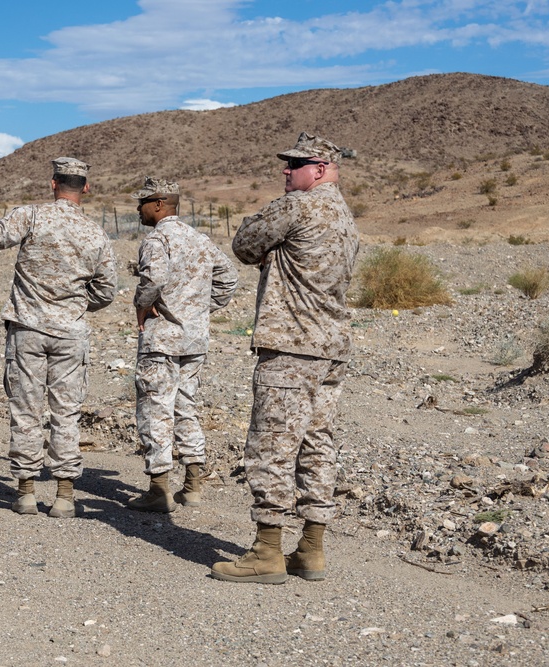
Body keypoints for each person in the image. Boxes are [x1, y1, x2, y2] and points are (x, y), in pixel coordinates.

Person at [212, 132, 359, 585]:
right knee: (318, 445)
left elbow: (243, 244)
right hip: (331, 348)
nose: (285, 171)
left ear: (319, 168)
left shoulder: (297, 206)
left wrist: (270, 252)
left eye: (294, 164)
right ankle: (311, 549)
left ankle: (267, 552)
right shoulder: (346, 217)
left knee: (272, 447)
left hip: (291, 347)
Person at [0, 157, 117, 519]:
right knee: (66, 412)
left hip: (27, 330)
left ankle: (25, 492)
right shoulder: (95, 233)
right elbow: (107, 291)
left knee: (25, 409)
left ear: (53, 184)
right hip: (70, 334)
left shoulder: (32, 215)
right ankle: (65, 496)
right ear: (85, 188)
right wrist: (74, 306)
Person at [126, 178, 237, 513]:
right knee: (186, 406)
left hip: (162, 340)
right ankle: (192, 485)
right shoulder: (199, 238)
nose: (138, 209)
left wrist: (141, 304)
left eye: (143, 202)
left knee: (156, 409)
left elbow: (154, 279)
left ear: (160, 204)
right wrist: (198, 309)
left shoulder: (157, 239)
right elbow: (229, 278)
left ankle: (159, 490)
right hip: (194, 339)